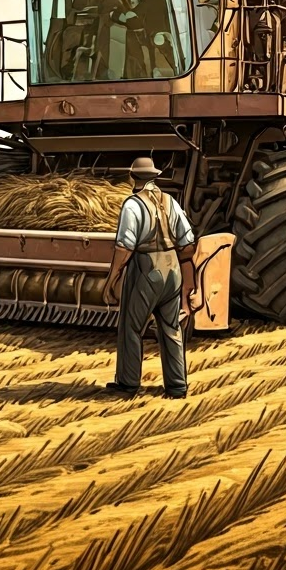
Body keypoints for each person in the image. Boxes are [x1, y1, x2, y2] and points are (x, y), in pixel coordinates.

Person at [101, 156, 197, 399]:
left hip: (146, 269)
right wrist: (188, 282)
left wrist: (112, 279)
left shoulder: (132, 205)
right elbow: (187, 245)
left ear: (133, 177)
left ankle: (128, 383)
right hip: (172, 267)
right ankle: (177, 386)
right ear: (154, 177)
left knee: (131, 327)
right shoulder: (171, 202)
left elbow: (124, 247)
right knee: (171, 328)